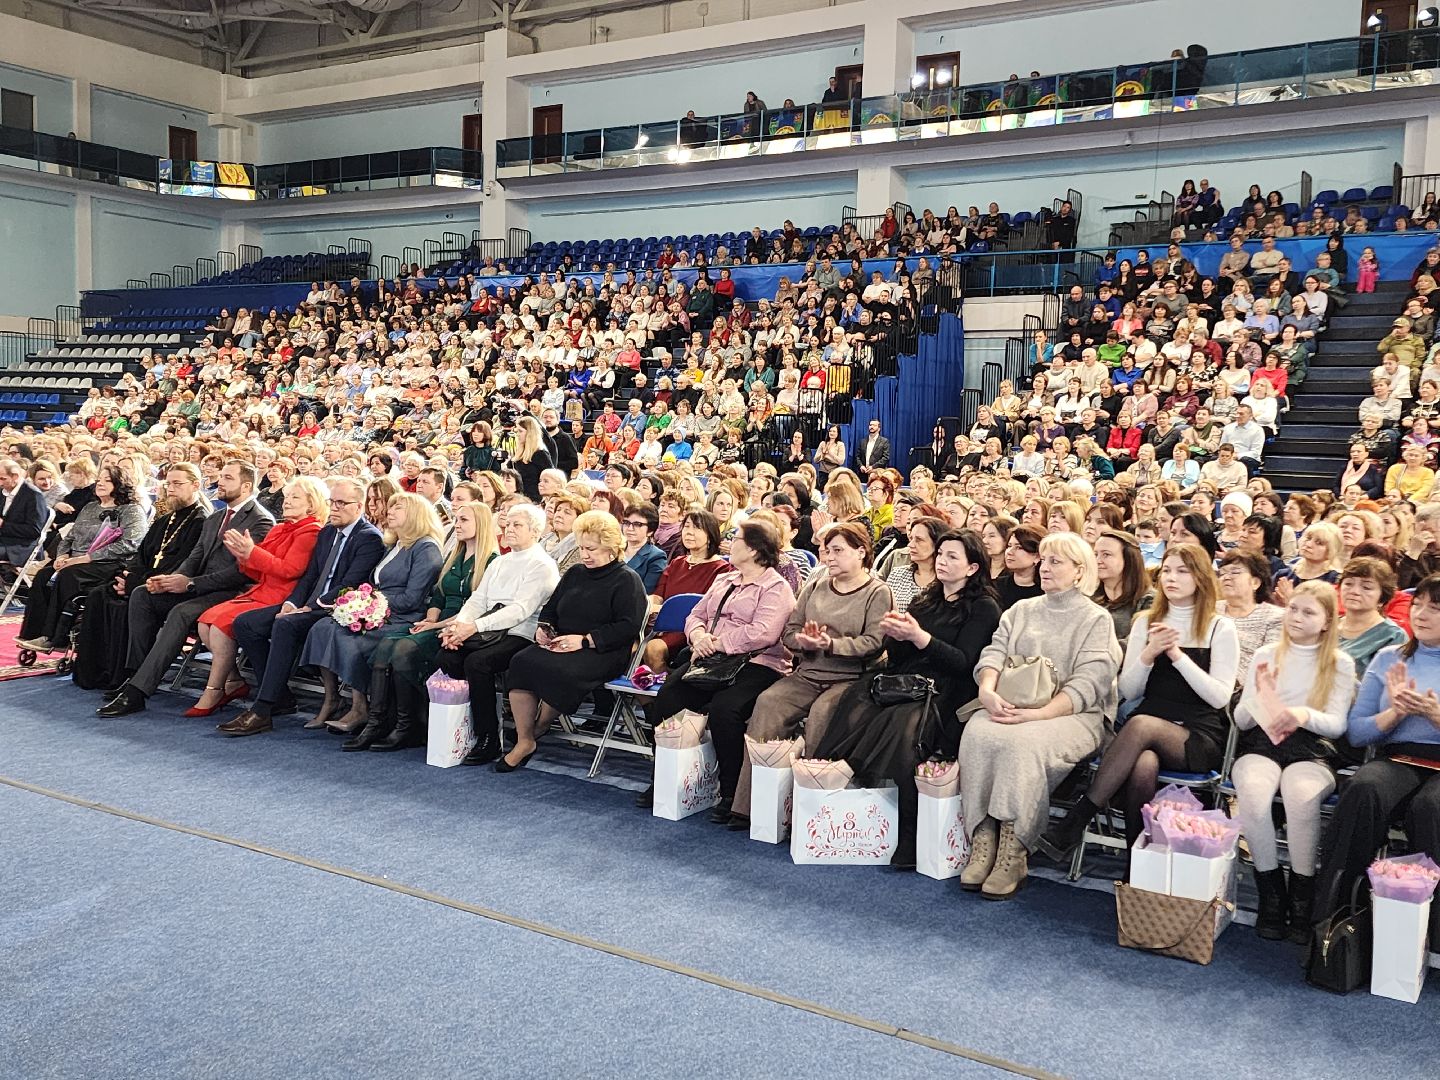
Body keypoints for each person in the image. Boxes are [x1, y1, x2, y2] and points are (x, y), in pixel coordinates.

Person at [814, 528, 1002, 869]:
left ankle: (906, 829)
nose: (942, 562)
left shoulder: (983, 607)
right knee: (855, 703)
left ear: (973, 568)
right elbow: (900, 657)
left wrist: (921, 638)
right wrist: (896, 634)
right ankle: (841, 806)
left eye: (952, 557)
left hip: (946, 689)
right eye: (941, 554)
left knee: (902, 726)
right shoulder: (927, 598)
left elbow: (964, 662)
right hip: (907, 679)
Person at [1038, 544, 1239, 860]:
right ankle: (1137, 862)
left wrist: (1176, 656)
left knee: (1140, 725)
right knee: (1142, 764)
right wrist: (1148, 653)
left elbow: (1218, 697)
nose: (1171, 578)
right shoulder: (1146, 621)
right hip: (1144, 727)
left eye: (1182, 571)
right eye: (1167, 570)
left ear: (1201, 578)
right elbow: (1128, 692)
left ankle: (1077, 819)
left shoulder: (1219, 627)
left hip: (1197, 732)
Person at [959, 533, 1122, 899]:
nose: (1044, 568)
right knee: (978, 731)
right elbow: (994, 654)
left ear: (1080, 571)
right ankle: (984, 835)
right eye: (1044, 560)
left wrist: (1042, 714)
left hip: (1074, 714)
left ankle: (1014, 847)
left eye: (1055, 562)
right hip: (1015, 704)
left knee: (1023, 744)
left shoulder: (1095, 619)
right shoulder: (1021, 611)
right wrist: (986, 691)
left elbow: (1091, 682)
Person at [726, 523, 893, 829]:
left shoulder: (877, 592)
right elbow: (790, 630)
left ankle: (809, 810)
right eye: (826, 551)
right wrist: (802, 642)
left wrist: (831, 644)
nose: (830, 557)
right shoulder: (815, 586)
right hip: (808, 672)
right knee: (769, 703)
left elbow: (874, 642)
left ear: (861, 552)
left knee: (822, 714)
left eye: (838, 550)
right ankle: (751, 804)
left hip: (852, 677)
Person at [1314, 573, 1440, 954]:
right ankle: (1335, 919)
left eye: (1435, 607)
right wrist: (1394, 714)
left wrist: (1437, 717)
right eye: (1418, 604)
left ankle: (1428, 935)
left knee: (1431, 807)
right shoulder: (1390, 657)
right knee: (1365, 788)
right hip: (1398, 754)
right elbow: (1356, 733)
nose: (1422, 613)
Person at [635, 519, 795, 811]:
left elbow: (763, 633)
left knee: (726, 709)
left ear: (755, 549)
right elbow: (695, 615)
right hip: (711, 658)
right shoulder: (725, 580)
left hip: (758, 663)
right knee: (670, 696)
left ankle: (731, 791)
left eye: (737, 539)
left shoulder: (776, 587)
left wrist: (717, 642)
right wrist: (698, 637)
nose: (729, 542)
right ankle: (664, 776)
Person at [98, 461, 275, 718]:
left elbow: (241, 572)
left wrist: (190, 583)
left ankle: (137, 693)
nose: (219, 481)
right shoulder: (215, 517)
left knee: (181, 612)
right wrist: (172, 579)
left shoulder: (260, 520)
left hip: (231, 593)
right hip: (200, 588)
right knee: (142, 595)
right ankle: (135, 675)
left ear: (246, 486)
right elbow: (195, 556)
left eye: (227, 477)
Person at [1232, 582, 1357, 941]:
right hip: (1263, 740)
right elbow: (1241, 721)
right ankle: (1272, 893)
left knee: (1300, 794)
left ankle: (1303, 897)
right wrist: (1261, 695)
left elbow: (1337, 724)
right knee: (1253, 793)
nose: (1297, 618)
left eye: (1308, 612)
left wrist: (1300, 713)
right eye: (1293, 609)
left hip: (1311, 746)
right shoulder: (1266, 654)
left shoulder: (1339, 663)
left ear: (1327, 621)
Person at [222, 478, 386, 737]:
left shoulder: (368, 538)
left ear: (359, 506)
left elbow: (350, 584)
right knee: (246, 623)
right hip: (311, 603)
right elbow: (310, 576)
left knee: (284, 625)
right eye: (332, 502)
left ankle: (263, 709)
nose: (334, 508)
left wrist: (311, 607)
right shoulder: (328, 532)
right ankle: (280, 696)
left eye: (342, 503)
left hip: (337, 607)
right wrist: (292, 603)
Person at [502, 511, 647, 772]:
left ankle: (540, 726)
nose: (584, 554)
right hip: (563, 643)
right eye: (581, 547)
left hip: (603, 650)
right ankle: (525, 739)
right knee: (521, 661)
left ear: (611, 548)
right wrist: (544, 628)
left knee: (562, 671)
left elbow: (628, 627)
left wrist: (585, 641)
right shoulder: (575, 573)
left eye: (591, 549)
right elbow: (551, 608)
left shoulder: (627, 580)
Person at [350, 502, 499, 752]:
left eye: (464, 520)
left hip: (464, 624)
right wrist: (430, 620)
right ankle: (378, 721)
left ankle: (407, 726)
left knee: (403, 648)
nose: (457, 525)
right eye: (457, 519)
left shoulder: (492, 561)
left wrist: (437, 624)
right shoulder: (455, 557)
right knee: (387, 645)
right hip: (440, 620)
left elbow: (481, 607)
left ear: (480, 525)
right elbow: (439, 595)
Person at [293, 492, 444, 736]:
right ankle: (331, 700)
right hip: (377, 610)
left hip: (401, 617)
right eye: (391, 507)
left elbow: (412, 599)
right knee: (323, 627)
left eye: (398, 508)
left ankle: (360, 706)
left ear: (415, 515)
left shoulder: (426, 548)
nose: (390, 512)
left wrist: (369, 603)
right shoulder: (395, 544)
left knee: (351, 639)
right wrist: (360, 601)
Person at [185, 477, 327, 717]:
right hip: (260, 591)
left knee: (220, 626)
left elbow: (290, 570)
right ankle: (233, 681)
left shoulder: (311, 531)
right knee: (205, 622)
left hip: (284, 597)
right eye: (287, 496)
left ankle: (215, 689)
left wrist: (252, 553)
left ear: (312, 504)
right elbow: (256, 569)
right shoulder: (280, 528)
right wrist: (244, 556)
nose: (287, 501)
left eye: (295, 497)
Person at [437, 504, 559, 765]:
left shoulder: (542, 565)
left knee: (477, 663)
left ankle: (488, 736)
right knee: (448, 654)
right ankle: (464, 725)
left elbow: (520, 610)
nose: (509, 529)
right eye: (508, 524)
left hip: (520, 633)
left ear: (535, 531)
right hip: (487, 629)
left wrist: (474, 627)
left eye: (517, 525)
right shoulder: (501, 561)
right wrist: (458, 626)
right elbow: (477, 600)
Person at [68, 464, 208, 691]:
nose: (170, 489)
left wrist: (133, 583)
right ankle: (94, 672)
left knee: (129, 602)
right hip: (142, 581)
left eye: (177, 484)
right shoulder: (165, 520)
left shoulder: (201, 521)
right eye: (168, 484)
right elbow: (140, 556)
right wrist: (127, 577)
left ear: (195, 485)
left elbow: (184, 566)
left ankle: (128, 675)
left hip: (168, 589)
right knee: (98, 595)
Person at [16, 465, 147, 653]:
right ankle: (32, 633)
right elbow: (69, 536)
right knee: (43, 576)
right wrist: (61, 555)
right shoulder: (90, 507)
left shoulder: (131, 510)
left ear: (120, 484)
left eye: (107, 480)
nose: (100, 483)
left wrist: (87, 558)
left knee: (68, 576)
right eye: (99, 479)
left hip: (107, 564)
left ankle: (54, 637)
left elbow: (129, 545)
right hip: (75, 559)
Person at [638, 509, 727, 674]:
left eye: (697, 528)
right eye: (686, 527)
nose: (689, 532)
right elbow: (658, 596)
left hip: (690, 629)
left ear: (711, 535)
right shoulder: (677, 563)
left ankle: (667, 693)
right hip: (659, 625)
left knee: (653, 648)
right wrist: (652, 607)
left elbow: (709, 609)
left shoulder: (722, 569)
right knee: (628, 645)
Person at [1336, 557, 1407, 676]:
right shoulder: (1326, 624)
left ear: (1382, 598)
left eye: (1366, 587)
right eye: (1348, 584)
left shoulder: (1393, 636)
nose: (1354, 591)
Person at [1091, 528, 1153, 645]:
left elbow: (1138, 643)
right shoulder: (1088, 597)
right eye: (1095, 554)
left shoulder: (1148, 600)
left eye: (1106, 554)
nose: (1097, 560)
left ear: (1129, 560)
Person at [0, 459, 49, 573]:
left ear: (15, 476)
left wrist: (3, 525)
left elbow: (34, 530)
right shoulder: (3, 491)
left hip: (21, 545)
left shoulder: (33, 495)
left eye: (3, 479)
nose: (0, 483)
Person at [994, 522, 1043, 609]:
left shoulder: (1046, 591)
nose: (1009, 552)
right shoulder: (995, 587)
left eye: (1019, 547)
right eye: (1009, 546)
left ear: (1037, 556)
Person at [621, 502, 668, 592]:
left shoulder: (656, 557)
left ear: (650, 531)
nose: (630, 528)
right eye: (626, 522)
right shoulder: (614, 549)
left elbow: (646, 592)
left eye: (637, 524)